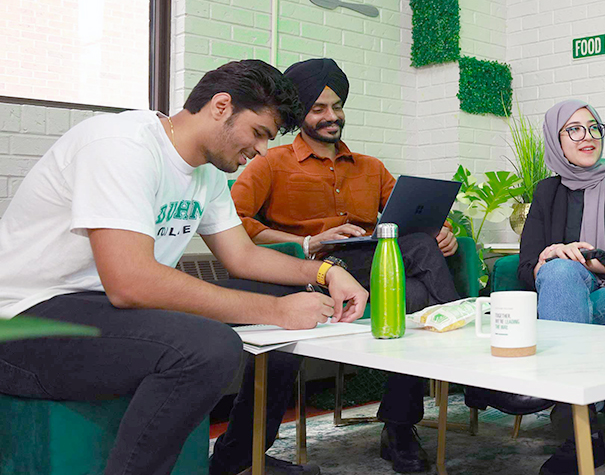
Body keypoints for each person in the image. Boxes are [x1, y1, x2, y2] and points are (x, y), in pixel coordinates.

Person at [0, 59, 370, 475]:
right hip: (26, 320)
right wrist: (276, 313)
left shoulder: (206, 173)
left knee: (288, 301)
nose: (261, 151)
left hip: (100, 310)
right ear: (221, 106)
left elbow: (242, 257)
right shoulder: (120, 145)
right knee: (208, 348)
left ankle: (236, 459)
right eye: (258, 134)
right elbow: (130, 283)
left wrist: (324, 273)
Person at [230, 57, 546, 473]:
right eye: (319, 108)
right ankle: (472, 376)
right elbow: (237, 226)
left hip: (371, 267)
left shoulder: (370, 167)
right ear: (300, 112)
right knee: (414, 278)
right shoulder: (271, 162)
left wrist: (444, 230)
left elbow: (415, 209)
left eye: (337, 105)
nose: (332, 116)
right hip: (312, 275)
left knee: (415, 283)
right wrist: (307, 242)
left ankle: (398, 428)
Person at [518, 99, 605, 475]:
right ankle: (585, 430)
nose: (588, 137)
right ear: (556, 139)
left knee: (567, 289)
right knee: (560, 275)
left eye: (594, 127)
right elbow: (525, 266)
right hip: (565, 288)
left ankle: (572, 425)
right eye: (575, 129)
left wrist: (588, 259)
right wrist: (549, 257)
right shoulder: (546, 191)